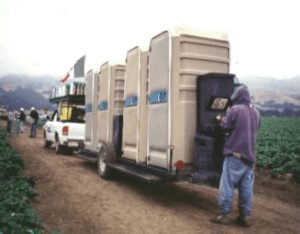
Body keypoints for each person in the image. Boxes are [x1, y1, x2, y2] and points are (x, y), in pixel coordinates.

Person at [210, 84, 260, 227]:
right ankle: (245, 216)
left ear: (237, 97)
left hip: (234, 156)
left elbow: (225, 126)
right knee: (246, 189)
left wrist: (220, 118)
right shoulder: (256, 112)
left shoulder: (234, 110)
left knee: (227, 185)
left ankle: (223, 214)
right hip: (249, 159)